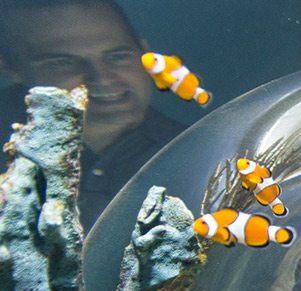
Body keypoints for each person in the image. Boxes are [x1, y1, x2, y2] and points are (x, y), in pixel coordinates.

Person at [0, 0, 185, 230]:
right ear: (10, 69)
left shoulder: (202, 153)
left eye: (117, 56)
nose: (102, 78)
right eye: (63, 62)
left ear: (145, 52)